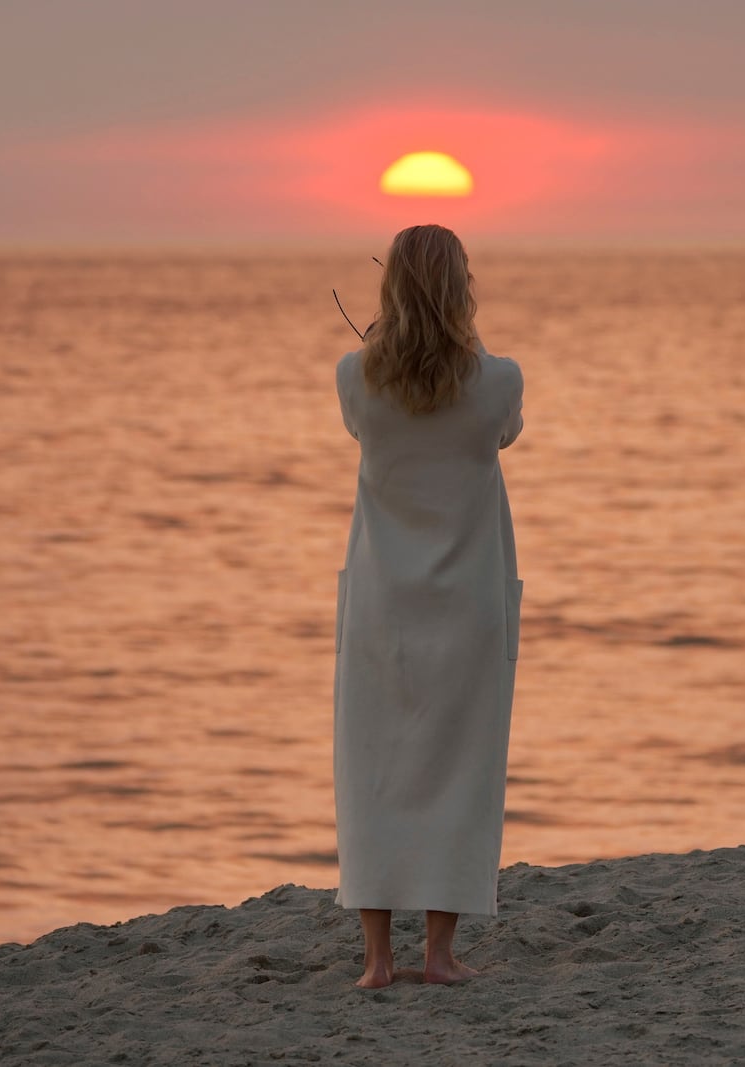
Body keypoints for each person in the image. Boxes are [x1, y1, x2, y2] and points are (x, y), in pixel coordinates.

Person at [332, 223, 524, 988]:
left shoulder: (356, 376)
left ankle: (377, 960)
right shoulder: (499, 379)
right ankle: (438, 953)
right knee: (462, 768)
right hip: (469, 603)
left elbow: (366, 422)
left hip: (382, 604)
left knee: (372, 766)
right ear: (461, 290)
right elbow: (502, 432)